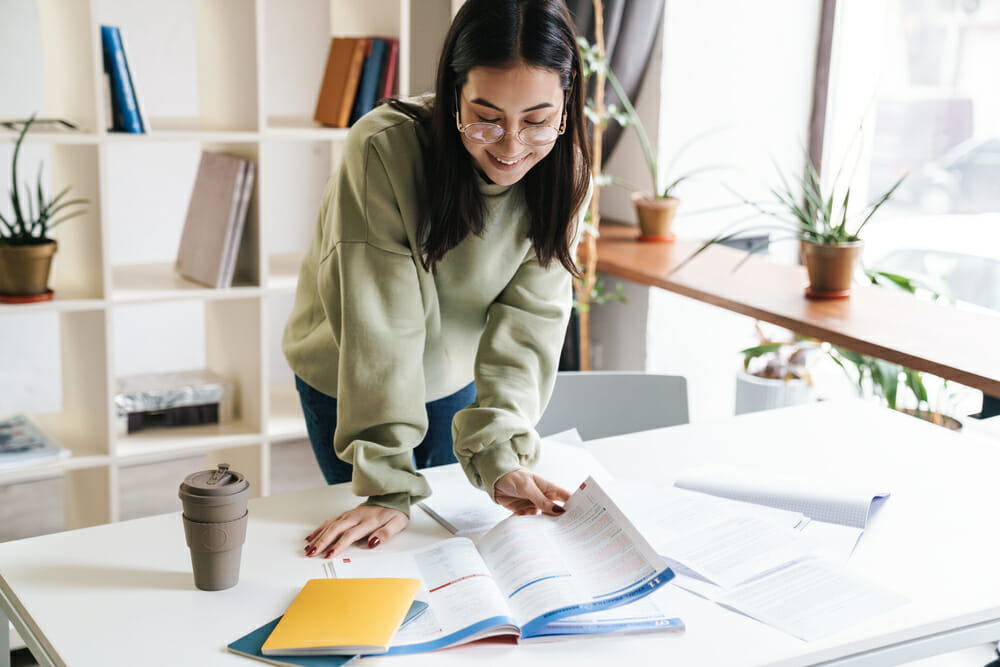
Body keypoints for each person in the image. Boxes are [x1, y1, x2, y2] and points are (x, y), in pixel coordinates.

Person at [282, 0, 592, 559]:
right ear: (454, 95)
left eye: (538, 120)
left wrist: (501, 459)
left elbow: (531, 324)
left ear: (567, 106)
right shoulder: (383, 150)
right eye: (487, 116)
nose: (511, 146)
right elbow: (381, 323)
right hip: (352, 374)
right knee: (384, 549)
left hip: (454, 374)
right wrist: (386, 486)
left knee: (446, 550)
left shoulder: (564, 176)